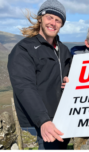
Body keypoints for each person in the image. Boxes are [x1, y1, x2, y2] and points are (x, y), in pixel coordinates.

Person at [7, 0, 71, 149]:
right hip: (36, 126)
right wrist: (42, 120)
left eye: (58, 20)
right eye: (50, 17)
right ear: (40, 18)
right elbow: (24, 87)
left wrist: (70, 81)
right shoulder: (24, 49)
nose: (53, 23)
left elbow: (74, 76)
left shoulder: (64, 50)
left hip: (60, 122)